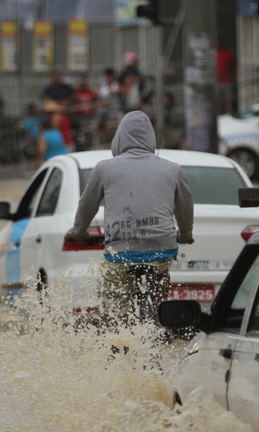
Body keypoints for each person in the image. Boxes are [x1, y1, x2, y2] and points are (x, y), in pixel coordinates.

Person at [68, 111, 194, 325]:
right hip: (163, 248)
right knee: (160, 275)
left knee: (113, 315)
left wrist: (78, 233)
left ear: (120, 138)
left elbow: (86, 207)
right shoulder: (172, 169)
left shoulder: (104, 168)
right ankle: (160, 319)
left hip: (120, 252)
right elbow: (185, 208)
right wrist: (184, 234)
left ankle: (116, 342)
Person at [72, 75, 99, 151]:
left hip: (88, 116)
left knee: (89, 131)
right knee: (79, 133)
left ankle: (89, 147)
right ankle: (79, 148)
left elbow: (96, 100)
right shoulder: (76, 92)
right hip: (79, 116)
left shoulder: (90, 91)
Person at [97, 67, 120, 144]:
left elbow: (115, 94)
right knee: (103, 128)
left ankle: (111, 142)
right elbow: (100, 97)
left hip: (112, 111)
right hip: (103, 110)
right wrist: (103, 103)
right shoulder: (103, 85)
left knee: (110, 128)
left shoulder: (115, 85)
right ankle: (105, 142)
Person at [215, 38, 236, 116]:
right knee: (219, 102)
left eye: (218, 43)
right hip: (216, 82)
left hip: (227, 82)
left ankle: (229, 117)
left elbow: (234, 66)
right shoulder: (213, 54)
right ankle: (220, 118)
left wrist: (233, 77)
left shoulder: (228, 53)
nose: (217, 45)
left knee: (228, 101)